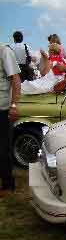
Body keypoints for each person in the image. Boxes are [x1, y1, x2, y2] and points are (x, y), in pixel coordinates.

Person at [0, 43, 21, 197]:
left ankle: (8, 185)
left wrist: (14, 105)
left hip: (2, 108)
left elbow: (16, 79)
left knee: (3, 148)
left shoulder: (4, 51)